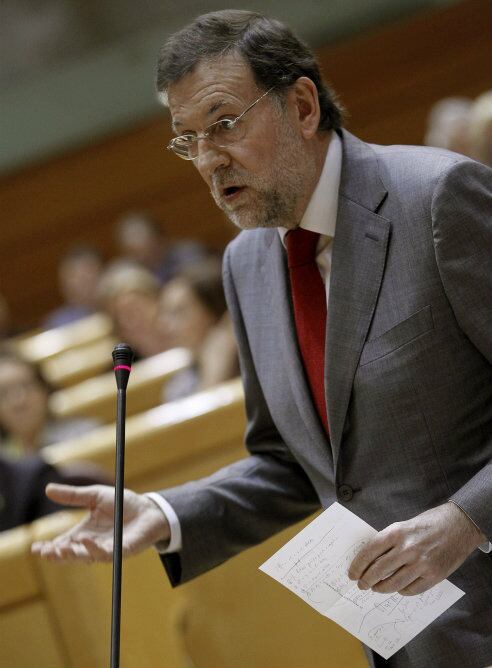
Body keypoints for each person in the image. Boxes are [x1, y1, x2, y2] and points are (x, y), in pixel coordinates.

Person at [32, 11, 492, 668]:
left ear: (302, 106)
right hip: (406, 643)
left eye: (224, 124)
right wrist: (166, 513)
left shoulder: (437, 199)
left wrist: (468, 521)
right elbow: (289, 462)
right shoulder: (246, 266)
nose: (209, 159)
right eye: (187, 139)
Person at [156, 257, 238, 402]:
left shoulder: (253, 363)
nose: (164, 326)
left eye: (178, 312)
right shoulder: (177, 388)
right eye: (164, 313)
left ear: (212, 312)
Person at [0, 352, 98, 458]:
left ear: (45, 390)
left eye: (26, 386)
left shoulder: (86, 435)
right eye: (3, 393)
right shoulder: (4, 460)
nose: (18, 401)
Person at [115, 212, 209, 284]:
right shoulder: (128, 271)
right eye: (134, 253)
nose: (142, 257)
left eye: (148, 250)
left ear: (160, 239)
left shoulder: (189, 255)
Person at [43, 245, 104, 330]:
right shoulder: (57, 324)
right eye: (74, 277)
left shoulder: (117, 310)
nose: (83, 286)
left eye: (86, 278)